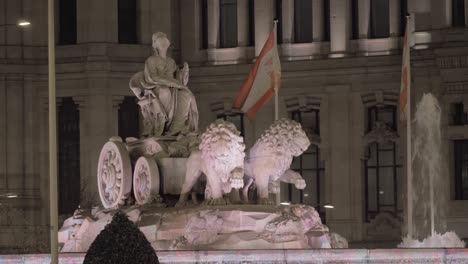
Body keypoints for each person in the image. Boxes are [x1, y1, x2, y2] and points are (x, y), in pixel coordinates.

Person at [130, 32, 198, 137]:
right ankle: (165, 125)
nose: (163, 43)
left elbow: (179, 80)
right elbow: (152, 77)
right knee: (164, 91)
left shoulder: (171, 61)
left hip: (173, 87)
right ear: (155, 45)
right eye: (160, 41)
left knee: (186, 95)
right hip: (156, 87)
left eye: (164, 41)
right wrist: (172, 83)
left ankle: (176, 128)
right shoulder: (151, 60)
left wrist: (184, 72)